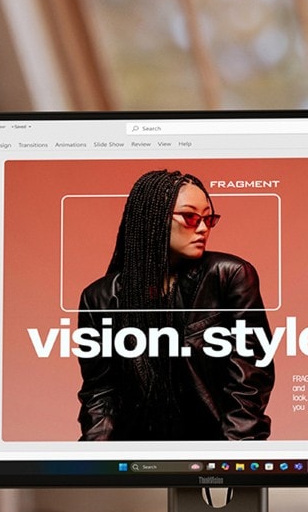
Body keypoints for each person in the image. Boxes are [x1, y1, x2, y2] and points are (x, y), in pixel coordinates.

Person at [76, 169, 273, 441]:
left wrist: (233, 461)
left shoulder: (230, 276)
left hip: (215, 449)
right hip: (135, 461)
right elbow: (100, 395)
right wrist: (99, 467)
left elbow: (249, 382)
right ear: (153, 219)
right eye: (191, 217)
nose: (203, 228)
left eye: (208, 218)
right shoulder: (99, 298)